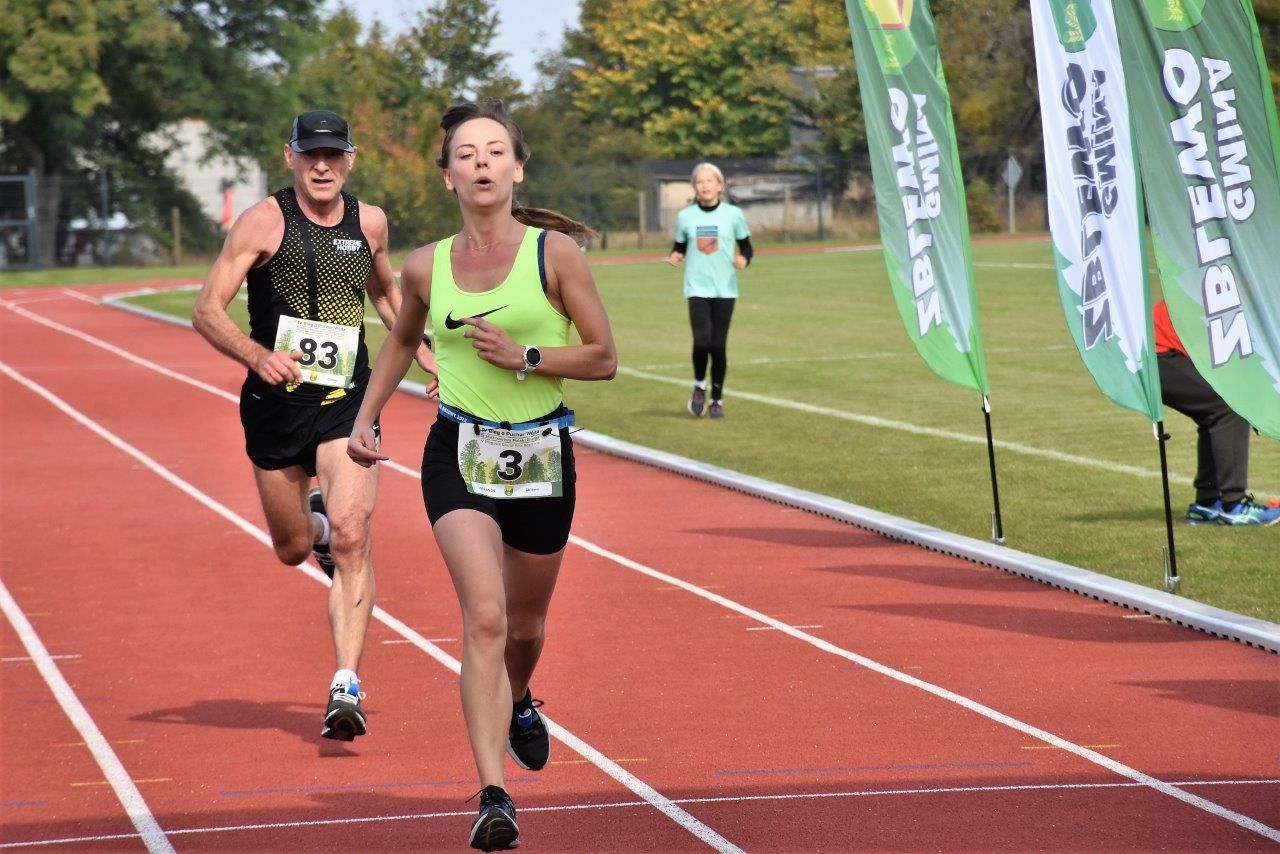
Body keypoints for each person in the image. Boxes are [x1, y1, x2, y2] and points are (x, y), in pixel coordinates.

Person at [347, 98, 617, 851]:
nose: (482, 164)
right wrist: (365, 418)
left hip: (542, 455)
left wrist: (527, 357)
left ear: (517, 168)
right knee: (487, 618)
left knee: (525, 629)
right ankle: (494, 792)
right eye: (466, 155)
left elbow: (603, 357)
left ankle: (519, 698)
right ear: (448, 176)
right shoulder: (425, 266)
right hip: (458, 452)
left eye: (495, 152)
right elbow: (400, 341)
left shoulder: (555, 257)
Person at [193, 109, 435, 741]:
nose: (322, 166)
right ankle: (315, 524)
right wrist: (257, 356)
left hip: (347, 401)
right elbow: (207, 309)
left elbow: (385, 296)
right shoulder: (263, 221)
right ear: (291, 156)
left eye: (333, 155)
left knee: (355, 539)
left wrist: (425, 352)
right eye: (311, 155)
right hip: (275, 407)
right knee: (293, 549)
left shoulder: (370, 221)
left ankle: (345, 684)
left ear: (350, 158)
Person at [1154, 299, 1279, 526]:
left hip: (1161, 348)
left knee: (1215, 411)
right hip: (1157, 351)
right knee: (1229, 406)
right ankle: (1233, 505)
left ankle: (1207, 502)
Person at [667, 162, 753, 419]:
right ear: (694, 186)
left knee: (718, 346)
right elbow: (680, 246)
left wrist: (744, 259)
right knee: (702, 341)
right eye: (700, 181)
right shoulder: (686, 216)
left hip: (725, 289)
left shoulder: (733, 214)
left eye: (709, 181)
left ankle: (716, 398)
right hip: (697, 287)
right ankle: (699, 385)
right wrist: (676, 255)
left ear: (719, 185)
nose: (704, 185)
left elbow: (747, 247)